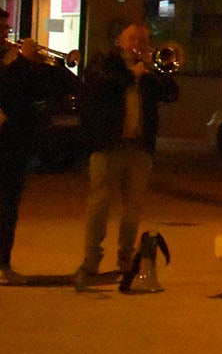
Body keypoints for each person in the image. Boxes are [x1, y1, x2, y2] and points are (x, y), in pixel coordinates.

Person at [73, 21, 179, 289]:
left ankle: (126, 258)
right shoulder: (103, 62)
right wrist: (132, 74)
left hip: (139, 147)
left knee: (133, 205)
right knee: (99, 203)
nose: (138, 44)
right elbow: (97, 87)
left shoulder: (148, 69)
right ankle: (91, 259)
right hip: (108, 143)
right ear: (119, 40)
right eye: (132, 38)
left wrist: (159, 72)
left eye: (143, 40)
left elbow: (171, 94)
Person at [0, 15, 73, 285]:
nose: (5, 34)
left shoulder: (16, 58)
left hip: (18, 138)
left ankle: (1, 262)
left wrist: (49, 64)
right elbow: (5, 88)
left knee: (10, 205)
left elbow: (61, 87)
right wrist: (24, 61)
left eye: (7, 28)